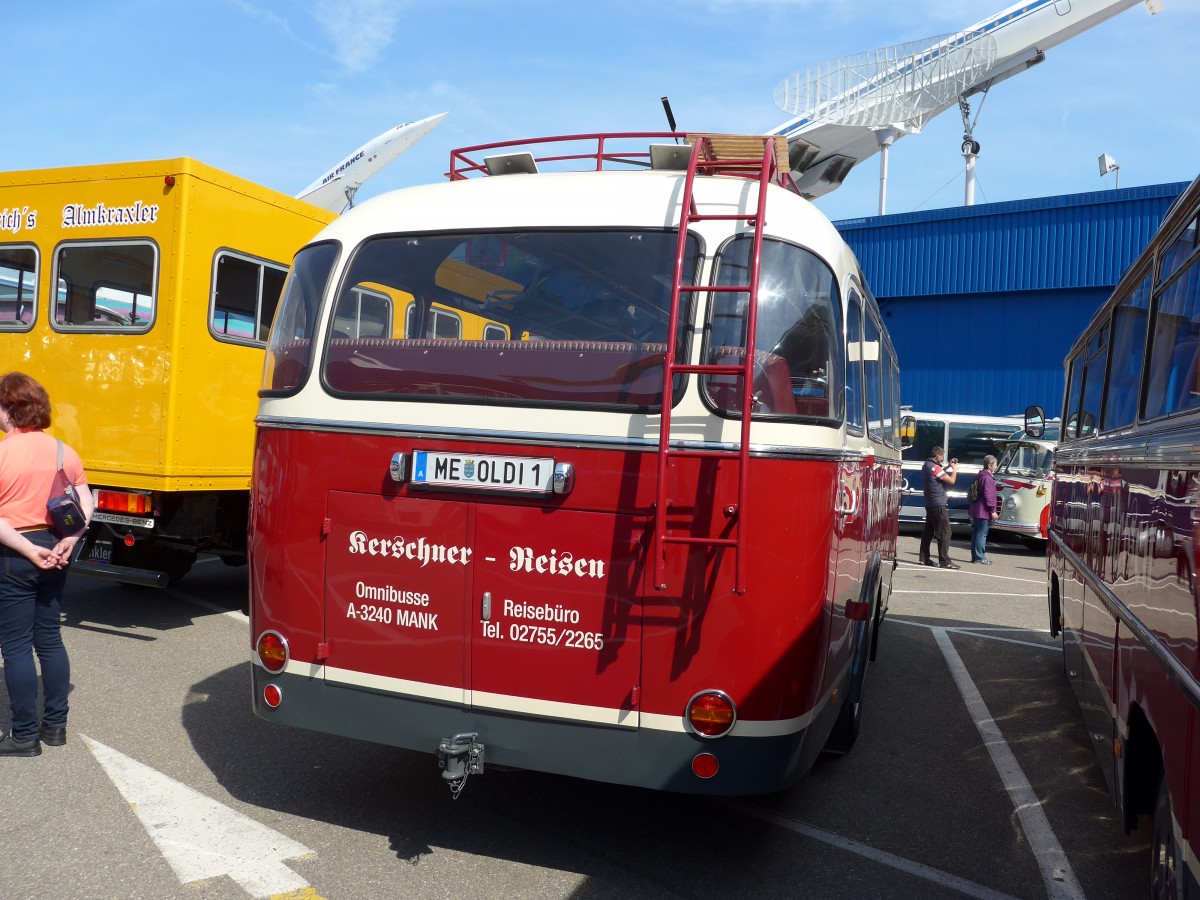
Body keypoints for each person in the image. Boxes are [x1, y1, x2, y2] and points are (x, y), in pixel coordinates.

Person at [0, 372, 93, 757]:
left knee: (16, 647)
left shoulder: (3, 453)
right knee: (50, 638)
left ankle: (24, 735)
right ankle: (55, 727)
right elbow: (86, 502)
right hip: (56, 548)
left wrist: (27, 549)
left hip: (14, 553)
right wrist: (70, 540)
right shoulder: (62, 452)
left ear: (9, 410)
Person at [918, 445, 959, 569]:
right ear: (937, 456)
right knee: (945, 532)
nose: (942, 459)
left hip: (930, 503)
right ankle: (945, 561)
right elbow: (951, 481)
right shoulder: (935, 467)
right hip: (938, 503)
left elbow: (937, 473)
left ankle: (924, 558)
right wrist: (955, 469)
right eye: (942, 456)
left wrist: (948, 467)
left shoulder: (927, 465)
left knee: (928, 532)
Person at [969, 455, 1001, 564]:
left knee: (976, 533)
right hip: (983, 510)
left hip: (976, 508)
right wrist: (993, 510)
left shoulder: (979, 476)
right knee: (982, 534)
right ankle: (980, 557)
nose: (996, 467)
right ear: (990, 465)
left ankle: (975, 557)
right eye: (995, 465)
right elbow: (989, 495)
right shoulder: (988, 478)